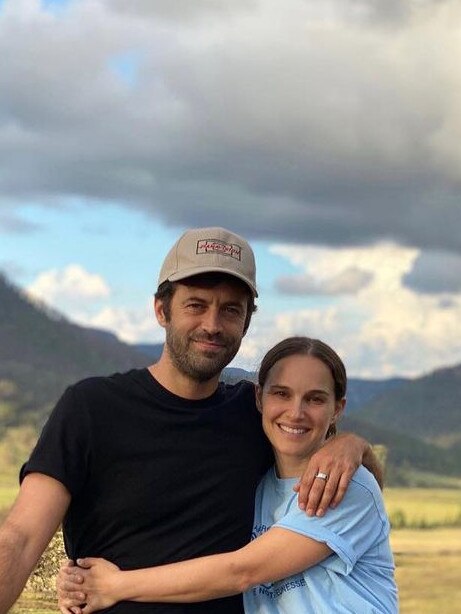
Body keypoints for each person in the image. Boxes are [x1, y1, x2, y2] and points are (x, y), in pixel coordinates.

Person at [0, 227, 379, 614]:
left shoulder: (254, 416)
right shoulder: (91, 408)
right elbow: (21, 537)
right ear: (162, 310)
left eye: (231, 310)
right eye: (196, 305)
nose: (212, 325)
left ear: (246, 324)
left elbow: (315, 443)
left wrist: (349, 444)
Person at [58, 336, 398, 613]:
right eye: (281, 393)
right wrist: (79, 578)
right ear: (259, 398)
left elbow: (241, 571)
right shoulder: (260, 483)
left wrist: (113, 586)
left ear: (338, 408)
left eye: (315, 399)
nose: (295, 412)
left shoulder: (344, 485)